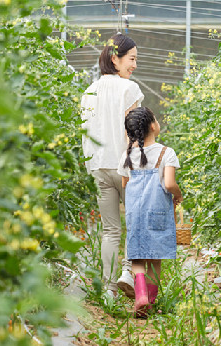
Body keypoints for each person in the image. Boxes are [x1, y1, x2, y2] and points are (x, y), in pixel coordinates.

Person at [80, 34, 143, 305]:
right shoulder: (128, 89)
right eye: (132, 59)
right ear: (115, 59)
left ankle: (108, 290)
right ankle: (128, 273)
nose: (135, 65)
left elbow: (85, 132)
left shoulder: (89, 92)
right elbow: (134, 134)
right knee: (135, 224)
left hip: (98, 167)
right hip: (124, 166)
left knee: (110, 231)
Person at [117, 107, 182, 317]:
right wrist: (178, 195)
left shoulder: (128, 155)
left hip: (136, 213)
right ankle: (150, 304)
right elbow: (170, 184)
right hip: (158, 213)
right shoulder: (166, 152)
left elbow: (125, 184)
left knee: (137, 258)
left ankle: (140, 296)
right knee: (155, 260)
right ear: (153, 125)